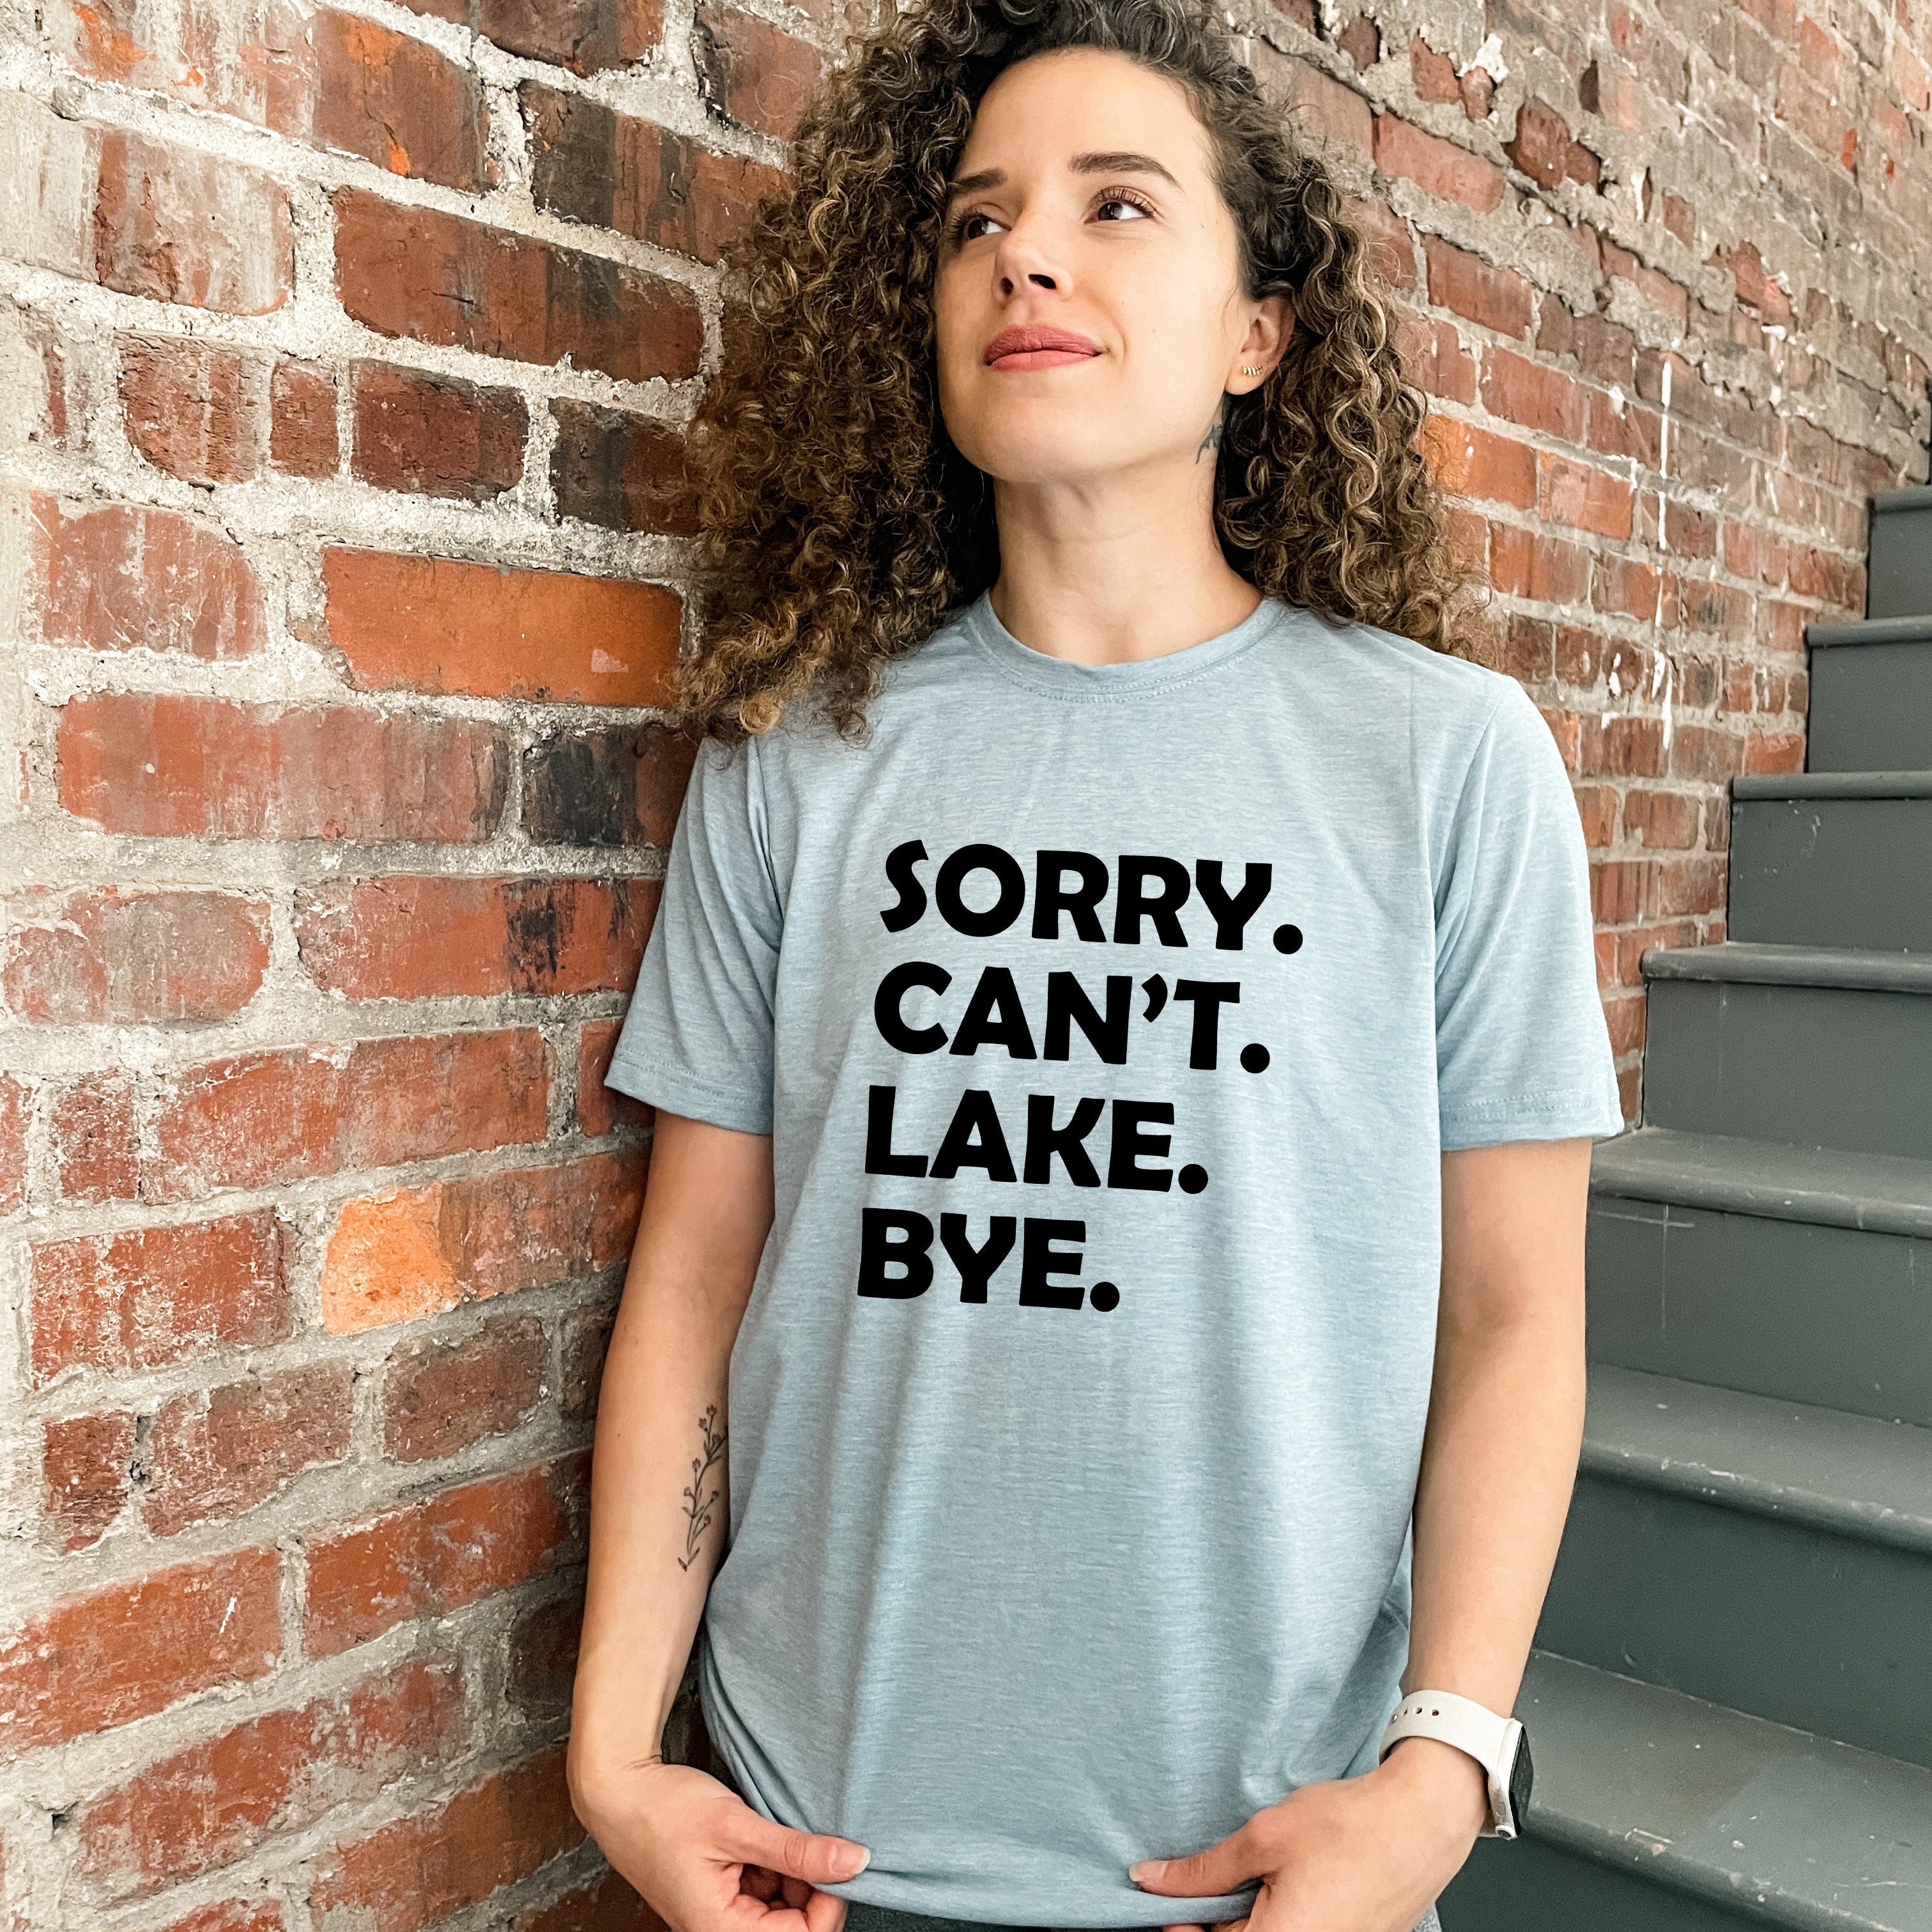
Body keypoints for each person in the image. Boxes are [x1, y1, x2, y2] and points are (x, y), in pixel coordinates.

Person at [565, 0, 1625, 1929]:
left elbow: (1511, 1320)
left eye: (1118, 205)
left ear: (1255, 335)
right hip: (815, 1864)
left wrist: (1446, 1772)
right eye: (977, 220)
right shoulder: (798, 760)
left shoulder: (1447, 761)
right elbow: (700, 1271)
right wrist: (618, 1753)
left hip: (1259, 1876)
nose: (1027, 253)